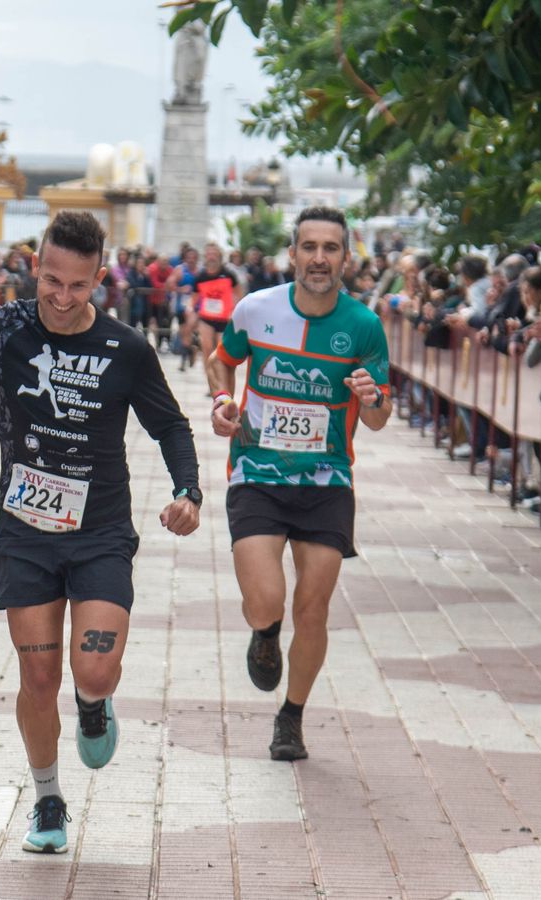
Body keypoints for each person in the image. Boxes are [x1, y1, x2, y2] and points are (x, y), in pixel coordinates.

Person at [0, 211, 201, 856]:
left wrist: (187, 491)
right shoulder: (3, 329)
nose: (62, 297)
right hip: (25, 532)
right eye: (52, 281)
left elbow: (170, 425)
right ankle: (48, 798)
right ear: (34, 268)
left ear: (99, 280)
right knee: (38, 677)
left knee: (95, 672)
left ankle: (94, 703)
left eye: (78, 286)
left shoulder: (126, 348)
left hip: (101, 531)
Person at [203, 207, 391, 762]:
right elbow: (221, 361)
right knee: (266, 601)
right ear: (292, 254)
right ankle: (265, 633)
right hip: (257, 474)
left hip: (327, 482)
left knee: (313, 608)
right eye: (309, 247)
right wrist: (223, 401)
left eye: (330, 248)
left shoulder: (364, 326)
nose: (319, 258)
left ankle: (292, 716)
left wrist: (372, 397)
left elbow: (378, 417)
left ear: (346, 258)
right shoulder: (256, 309)